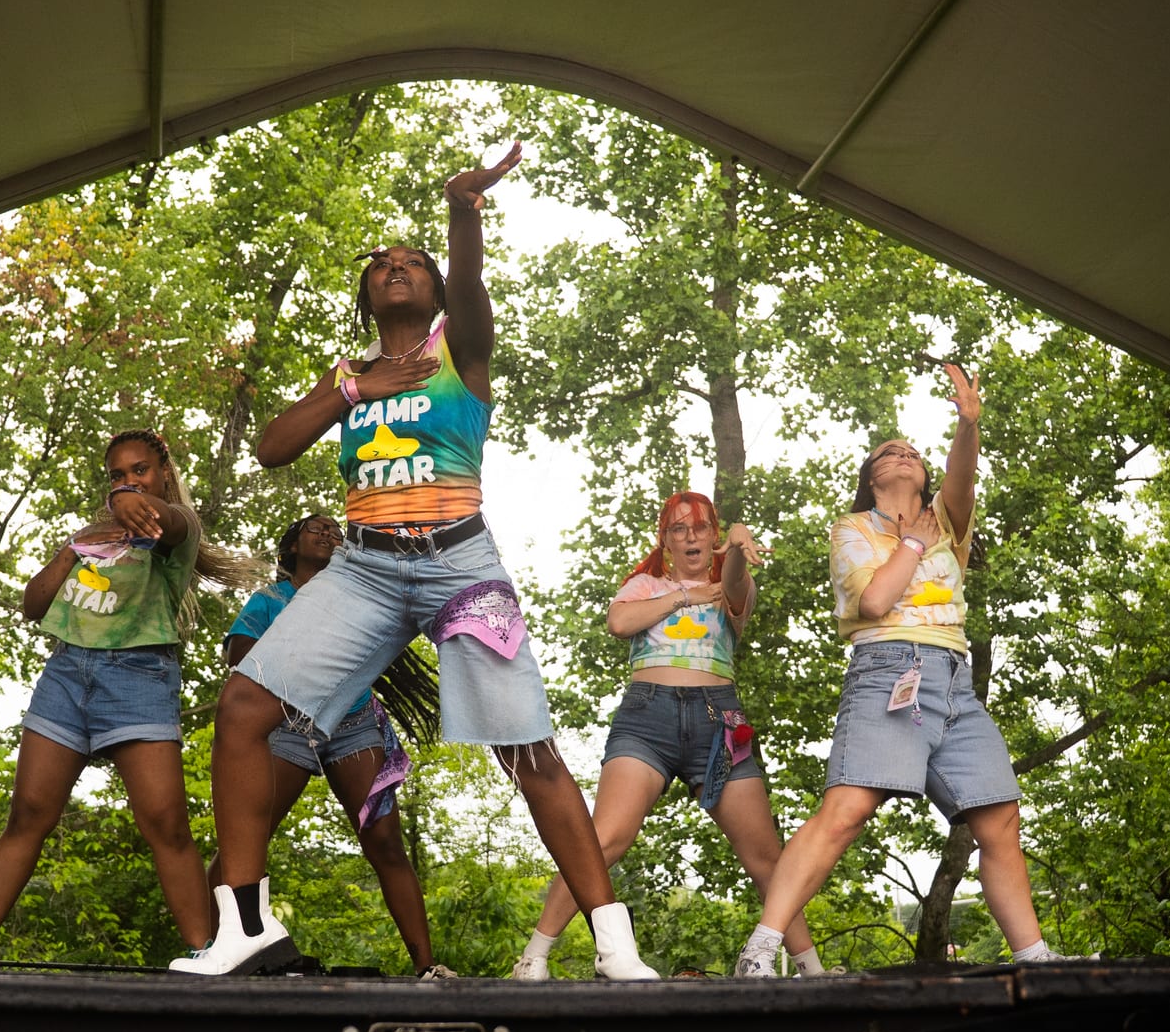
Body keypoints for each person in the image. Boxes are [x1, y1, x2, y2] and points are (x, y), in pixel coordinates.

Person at [173, 143, 658, 979]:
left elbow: (471, 293)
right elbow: (272, 447)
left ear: (431, 288)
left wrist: (461, 217)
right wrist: (356, 387)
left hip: (459, 567)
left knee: (528, 751)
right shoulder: (351, 374)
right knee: (246, 704)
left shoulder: (459, 354)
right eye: (381, 265)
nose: (396, 269)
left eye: (413, 263)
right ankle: (244, 926)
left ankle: (616, 947)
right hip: (362, 566)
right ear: (365, 296)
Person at [739, 364, 1065, 975]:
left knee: (1000, 817)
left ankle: (1036, 959)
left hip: (954, 679)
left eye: (913, 451)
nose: (903, 455)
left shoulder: (947, 523)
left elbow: (961, 476)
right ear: (871, 477)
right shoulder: (852, 529)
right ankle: (761, 948)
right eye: (890, 453)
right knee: (848, 809)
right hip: (890, 667)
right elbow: (873, 601)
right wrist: (911, 545)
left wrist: (968, 425)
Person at [0, 430, 261, 969]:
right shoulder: (95, 535)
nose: (128, 482)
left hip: (139, 677)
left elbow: (171, 521)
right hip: (66, 672)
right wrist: (71, 550)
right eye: (116, 475)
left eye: (140, 470)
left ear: (165, 473)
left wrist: (133, 503)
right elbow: (32, 605)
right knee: (28, 814)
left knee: (165, 823)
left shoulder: (175, 529)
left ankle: (206, 956)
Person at [511, 492, 827, 980]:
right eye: (679, 529)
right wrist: (684, 595)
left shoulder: (729, 584)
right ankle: (533, 956)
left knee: (765, 855)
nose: (691, 536)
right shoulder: (644, 585)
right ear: (666, 540)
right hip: (647, 716)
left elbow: (738, 584)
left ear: (714, 535)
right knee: (604, 838)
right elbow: (618, 622)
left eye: (701, 527)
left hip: (722, 722)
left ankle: (813, 969)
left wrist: (739, 549)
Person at [213, 513, 452, 978]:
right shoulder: (270, 600)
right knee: (247, 838)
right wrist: (297, 659)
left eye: (333, 529)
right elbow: (239, 654)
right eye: (313, 528)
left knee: (385, 844)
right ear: (291, 548)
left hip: (355, 720)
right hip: (286, 721)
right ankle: (216, 945)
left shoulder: (360, 600)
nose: (327, 532)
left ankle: (428, 968)